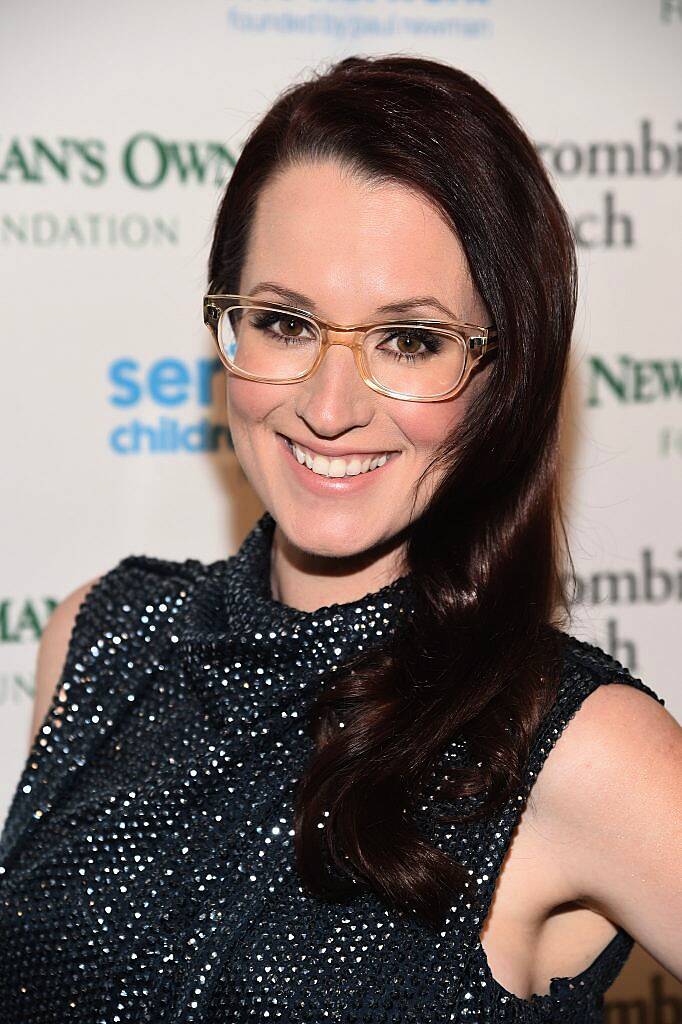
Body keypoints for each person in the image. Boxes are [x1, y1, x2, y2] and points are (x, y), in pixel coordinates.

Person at [0, 55, 680, 1024]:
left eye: (409, 339)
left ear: (504, 373)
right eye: (283, 322)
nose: (328, 406)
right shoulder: (102, 637)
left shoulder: (569, 743)